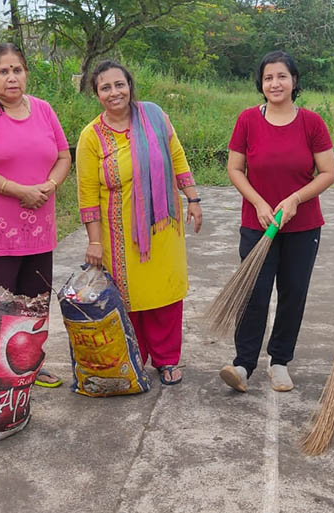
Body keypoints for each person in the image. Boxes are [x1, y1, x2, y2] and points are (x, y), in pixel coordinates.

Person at [75, 60, 202, 386]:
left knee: (165, 293)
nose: (114, 92)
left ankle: (167, 358)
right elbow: (87, 193)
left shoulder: (155, 117)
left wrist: (193, 198)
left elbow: (176, 156)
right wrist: (94, 241)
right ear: (97, 94)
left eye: (120, 84)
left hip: (163, 226)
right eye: (106, 87)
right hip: (118, 233)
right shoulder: (92, 136)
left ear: (130, 86)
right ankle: (135, 357)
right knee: (129, 300)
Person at [218, 50, 334, 393]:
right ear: (261, 83)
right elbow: (235, 168)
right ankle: (243, 365)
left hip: (302, 226)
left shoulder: (311, 122)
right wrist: (257, 202)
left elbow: (329, 172)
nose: (275, 83)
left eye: (282, 76)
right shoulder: (247, 120)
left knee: (293, 293)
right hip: (258, 223)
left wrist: (296, 198)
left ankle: (280, 361)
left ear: (294, 81)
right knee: (253, 293)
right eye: (268, 77)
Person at [0, 43, 70, 389]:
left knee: (34, 302)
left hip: (39, 228)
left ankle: (29, 364)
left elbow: (64, 156)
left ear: (26, 74)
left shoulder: (44, 110)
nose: (11, 77)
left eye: (17, 70)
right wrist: (19, 190)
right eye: (3, 71)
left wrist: (49, 185)